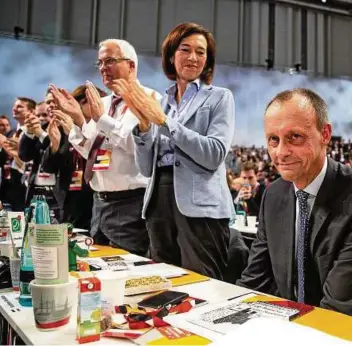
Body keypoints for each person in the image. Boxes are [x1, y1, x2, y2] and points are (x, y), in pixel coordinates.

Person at [237, 88, 352, 332]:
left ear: (325, 134)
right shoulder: (274, 193)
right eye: (273, 140)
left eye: (295, 137)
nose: (281, 152)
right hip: (300, 322)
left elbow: (339, 309)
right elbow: (254, 279)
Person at [128, 22, 234, 280]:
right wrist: (143, 129)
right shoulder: (160, 103)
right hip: (158, 202)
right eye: (185, 49)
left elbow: (214, 154)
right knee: (164, 283)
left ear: (208, 60)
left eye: (201, 52)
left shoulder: (220, 97)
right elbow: (145, 168)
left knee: (204, 283)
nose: (193, 57)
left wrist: (164, 122)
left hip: (201, 205)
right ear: (171, 55)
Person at [51, 39, 160, 256]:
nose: (103, 68)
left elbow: (139, 148)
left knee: (127, 275)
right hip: (100, 203)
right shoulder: (106, 103)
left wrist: (102, 119)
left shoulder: (150, 99)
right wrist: (79, 121)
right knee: (98, 270)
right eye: (99, 63)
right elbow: (92, 150)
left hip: (131, 205)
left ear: (131, 65)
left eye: (109, 61)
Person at [41, 85, 107, 229]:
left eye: (87, 101)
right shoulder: (63, 127)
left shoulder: (102, 128)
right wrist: (55, 145)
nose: (88, 105)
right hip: (67, 199)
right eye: (82, 102)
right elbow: (48, 167)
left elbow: (97, 158)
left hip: (94, 196)